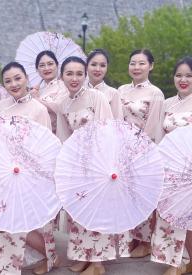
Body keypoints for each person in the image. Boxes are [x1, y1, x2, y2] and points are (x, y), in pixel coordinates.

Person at [55, 57, 123, 275]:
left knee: (96, 212)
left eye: (78, 73)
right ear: (62, 76)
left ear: (85, 75)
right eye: (69, 73)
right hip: (77, 166)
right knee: (79, 213)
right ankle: (85, 255)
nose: (74, 78)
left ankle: (98, 263)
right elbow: (64, 137)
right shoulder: (64, 103)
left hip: (98, 164)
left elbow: (109, 130)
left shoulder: (97, 97)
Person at [0, 62, 58, 275]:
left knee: (32, 221)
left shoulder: (38, 108)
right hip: (6, 172)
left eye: (17, 78)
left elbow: (46, 143)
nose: (13, 84)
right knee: (6, 219)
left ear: (26, 78)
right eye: (8, 81)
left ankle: (50, 256)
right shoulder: (1, 107)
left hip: (32, 173)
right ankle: (4, 267)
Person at [151, 57, 192, 275]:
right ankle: (191, 263)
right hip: (170, 169)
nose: (183, 80)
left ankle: (177, 264)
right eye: (179, 75)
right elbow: (161, 138)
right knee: (171, 217)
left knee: (188, 218)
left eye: (189, 75)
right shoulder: (167, 103)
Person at [118, 49, 165, 258]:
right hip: (122, 151)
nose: (136, 67)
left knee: (144, 196)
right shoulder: (121, 90)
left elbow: (154, 126)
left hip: (143, 152)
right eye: (132, 63)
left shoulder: (155, 93)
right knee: (126, 197)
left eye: (141, 63)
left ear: (151, 66)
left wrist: (137, 151)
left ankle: (145, 241)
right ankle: (131, 238)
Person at [32, 50, 68, 133]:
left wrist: (36, 100)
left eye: (50, 64)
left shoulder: (64, 86)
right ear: (37, 69)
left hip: (57, 134)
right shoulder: (36, 89)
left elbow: (60, 108)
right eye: (42, 65)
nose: (46, 68)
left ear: (57, 65)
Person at [85, 49, 123, 119]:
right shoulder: (79, 92)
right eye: (93, 64)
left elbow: (118, 123)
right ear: (86, 66)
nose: (98, 69)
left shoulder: (113, 93)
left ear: (107, 68)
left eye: (102, 65)